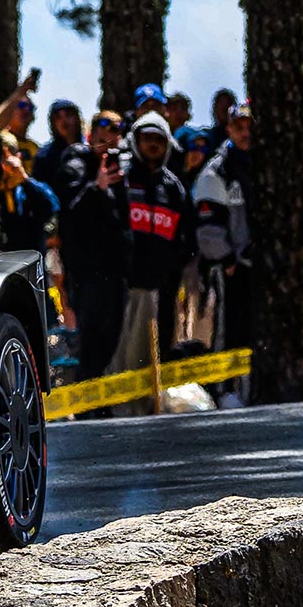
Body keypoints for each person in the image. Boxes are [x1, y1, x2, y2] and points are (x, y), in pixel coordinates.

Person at [109, 115, 192, 396]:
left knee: (149, 357)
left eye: (159, 139)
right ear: (135, 141)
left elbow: (183, 238)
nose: (153, 145)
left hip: (158, 291)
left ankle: (146, 408)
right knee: (121, 356)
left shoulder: (173, 187)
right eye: (147, 138)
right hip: (123, 288)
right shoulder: (121, 178)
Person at [56, 118, 131, 382]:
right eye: (102, 133)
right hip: (87, 273)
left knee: (112, 343)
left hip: (116, 271)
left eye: (115, 132)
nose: (108, 139)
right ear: (90, 135)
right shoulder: (76, 162)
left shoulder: (121, 168)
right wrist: (96, 188)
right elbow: (69, 213)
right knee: (90, 344)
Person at [193, 109, 253, 352]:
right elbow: (207, 227)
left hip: (259, 267)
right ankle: (225, 379)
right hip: (229, 270)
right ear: (228, 129)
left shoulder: (265, 166)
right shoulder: (216, 170)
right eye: (239, 127)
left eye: (250, 127)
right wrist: (227, 259)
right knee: (228, 333)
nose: (246, 133)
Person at [33, 99, 89, 211]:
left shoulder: (89, 150)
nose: (64, 121)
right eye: (58, 117)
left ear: (77, 118)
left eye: (68, 115)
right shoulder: (45, 155)